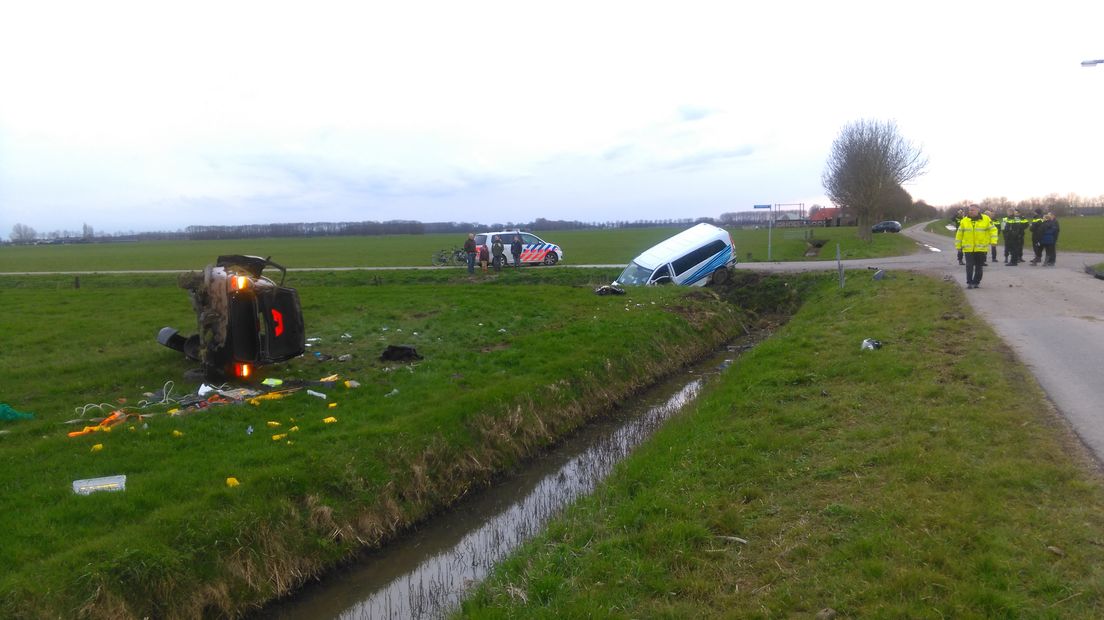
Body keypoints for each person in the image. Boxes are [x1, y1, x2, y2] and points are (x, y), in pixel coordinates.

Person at [954, 204, 997, 289]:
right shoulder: (964, 220)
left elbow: (993, 230)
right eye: (970, 210)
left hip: (981, 248)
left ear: (978, 210)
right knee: (969, 265)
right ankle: (969, 282)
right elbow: (959, 234)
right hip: (968, 248)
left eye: (973, 210)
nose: (971, 211)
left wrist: (993, 241)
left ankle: (976, 282)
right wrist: (958, 246)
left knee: (979, 266)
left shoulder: (986, 219)